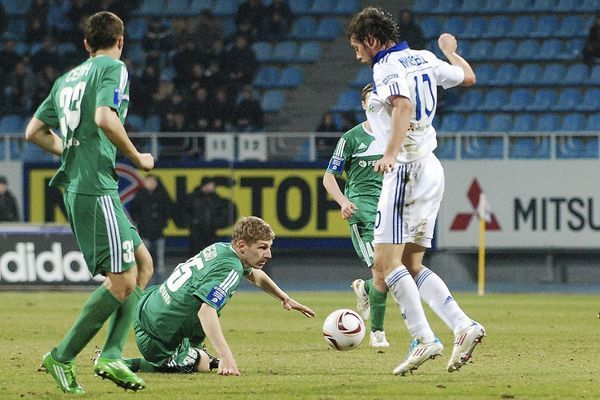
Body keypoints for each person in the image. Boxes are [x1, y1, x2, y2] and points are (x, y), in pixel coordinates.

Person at [347, 7, 485, 376]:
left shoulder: (386, 66)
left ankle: (424, 338)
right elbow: (468, 77)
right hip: (431, 167)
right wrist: (450, 52)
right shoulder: (424, 57)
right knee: (411, 264)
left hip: (406, 170)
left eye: (358, 47)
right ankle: (463, 325)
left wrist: (390, 154)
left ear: (372, 41)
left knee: (384, 263)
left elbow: (404, 106)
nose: (358, 55)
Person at [25, 11, 155, 394]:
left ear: (86, 44)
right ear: (121, 41)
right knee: (123, 281)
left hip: (85, 185)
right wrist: (137, 157)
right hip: (94, 188)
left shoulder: (66, 79)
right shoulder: (114, 68)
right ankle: (62, 356)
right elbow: (104, 118)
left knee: (143, 266)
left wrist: (67, 149)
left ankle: (111, 353)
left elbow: (33, 131)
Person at [122, 216, 315, 376]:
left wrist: (284, 298)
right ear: (242, 245)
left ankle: (195, 353)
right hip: (157, 339)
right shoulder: (231, 268)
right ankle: (128, 363)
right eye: (262, 247)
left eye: (269, 247)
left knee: (202, 352)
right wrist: (225, 356)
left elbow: (254, 274)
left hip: (149, 308)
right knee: (202, 364)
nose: (269, 254)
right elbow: (206, 312)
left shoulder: (221, 248)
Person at [322, 83, 390, 349]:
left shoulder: (395, 135)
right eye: (371, 102)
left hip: (390, 210)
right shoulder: (351, 138)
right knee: (382, 269)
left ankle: (365, 289)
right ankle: (378, 334)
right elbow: (329, 177)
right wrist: (343, 201)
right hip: (362, 210)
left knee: (393, 273)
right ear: (363, 105)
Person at [130, 174, 171, 285]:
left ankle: (160, 284)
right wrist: (140, 224)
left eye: (153, 181)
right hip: (144, 233)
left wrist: (163, 223)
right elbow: (134, 212)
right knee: (144, 260)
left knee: (160, 261)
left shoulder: (162, 195)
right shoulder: (140, 195)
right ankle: (144, 282)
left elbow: (168, 210)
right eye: (148, 181)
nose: (151, 184)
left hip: (159, 233)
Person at [185, 177, 236, 258]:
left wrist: (216, 223)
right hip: (196, 232)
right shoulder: (193, 197)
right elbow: (186, 212)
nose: (213, 187)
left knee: (211, 254)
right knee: (195, 254)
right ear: (205, 185)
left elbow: (221, 212)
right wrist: (193, 222)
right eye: (211, 185)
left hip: (211, 231)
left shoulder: (215, 198)